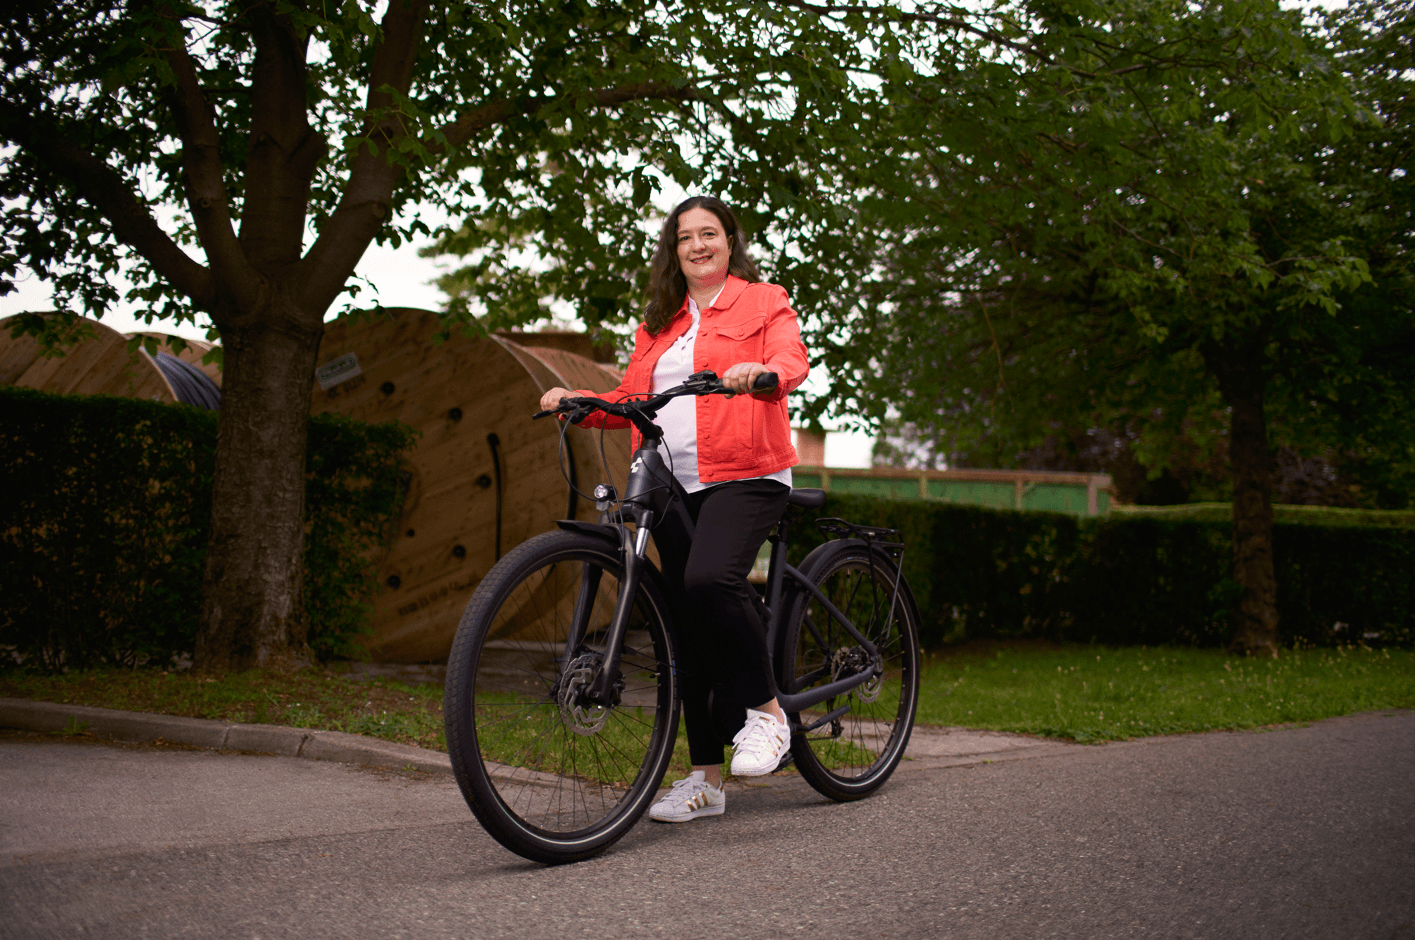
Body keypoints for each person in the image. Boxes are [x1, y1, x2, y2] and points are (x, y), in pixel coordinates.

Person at [538, 195, 810, 824]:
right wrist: (582, 400)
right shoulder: (659, 323)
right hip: (674, 483)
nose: (697, 246)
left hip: (745, 473)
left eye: (709, 233)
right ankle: (705, 781)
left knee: (709, 579)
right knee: (686, 629)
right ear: (674, 250)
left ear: (730, 241)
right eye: (685, 237)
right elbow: (634, 398)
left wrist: (762, 373)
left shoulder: (763, 300)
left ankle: (769, 714)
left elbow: (789, 362)